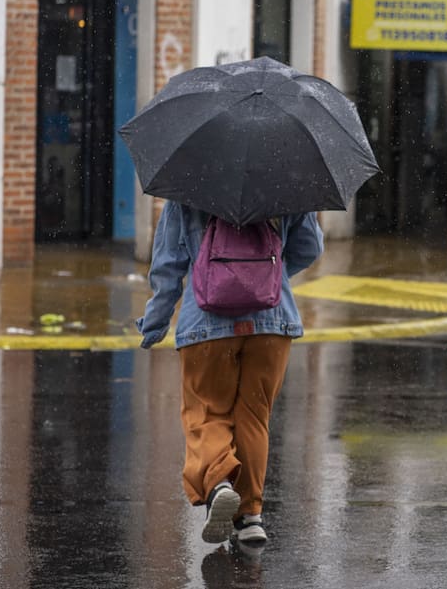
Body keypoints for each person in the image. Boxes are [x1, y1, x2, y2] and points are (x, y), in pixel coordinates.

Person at [137, 200, 324, 545]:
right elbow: (310, 247)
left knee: (206, 411)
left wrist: (155, 321)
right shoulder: (285, 183)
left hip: (206, 323)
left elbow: (167, 264)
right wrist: (268, 277)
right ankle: (250, 516)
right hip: (272, 320)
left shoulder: (189, 187)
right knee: (254, 417)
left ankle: (219, 482)